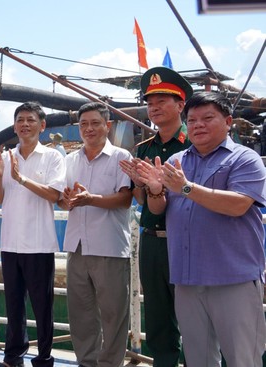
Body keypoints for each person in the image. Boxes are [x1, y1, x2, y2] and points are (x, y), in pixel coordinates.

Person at [137, 92, 266, 366]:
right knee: (198, 358)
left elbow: (239, 205)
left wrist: (185, 187)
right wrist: (156, 190)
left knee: (243, 358)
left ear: (228, 121)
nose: (198, 125)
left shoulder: (245, 159)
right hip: (187, 277)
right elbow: (159, 210)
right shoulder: (176, 161)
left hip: (232, 279)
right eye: (192, 120)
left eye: (208, 118)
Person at [118, 66, 192, 367]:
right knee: (159, 319)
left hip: (186, 242)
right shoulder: (143, 149)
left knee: (195, 317)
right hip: (151, 243)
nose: (155, 107)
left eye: (163, 100)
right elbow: (140, 201)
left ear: (181, 105)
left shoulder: (193, 147)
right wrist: (141, 184)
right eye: (150, 102)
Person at [0, 102, 65, 367]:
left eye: (31, 120)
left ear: (42, 125)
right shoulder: (5, 158)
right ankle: (13, 356)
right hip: (10, 242)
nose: (24, 124)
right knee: (14, 304)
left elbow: (54, 195)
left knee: (43, 307)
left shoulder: (53, 157)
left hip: (39, 243)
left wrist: (22, 180)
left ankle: (43, 358)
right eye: (20, 120)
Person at [58, 102, 133, 367]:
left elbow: (125, 199)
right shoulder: (70, 160)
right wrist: (67, 200)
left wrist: (91, 199)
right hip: (77, 246)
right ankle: (87, 362)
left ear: (107, 126)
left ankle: (111, 364)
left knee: (114, 314)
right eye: (83, 124)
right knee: (81, 314)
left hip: (109, 246)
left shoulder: (121, 157)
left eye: (95, 123)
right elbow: (63, 200)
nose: (89, 129)